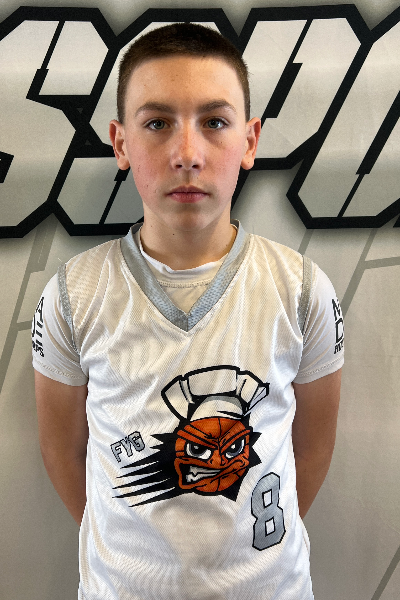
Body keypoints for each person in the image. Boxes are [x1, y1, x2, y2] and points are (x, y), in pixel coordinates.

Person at [32, 22, 343, 600]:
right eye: (157, 123)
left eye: (214, 122)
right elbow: (63, 451)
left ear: (249, 141)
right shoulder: (73, 294)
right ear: (120, 143)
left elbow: (313, 448)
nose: (187, 154)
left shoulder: (301, 289)